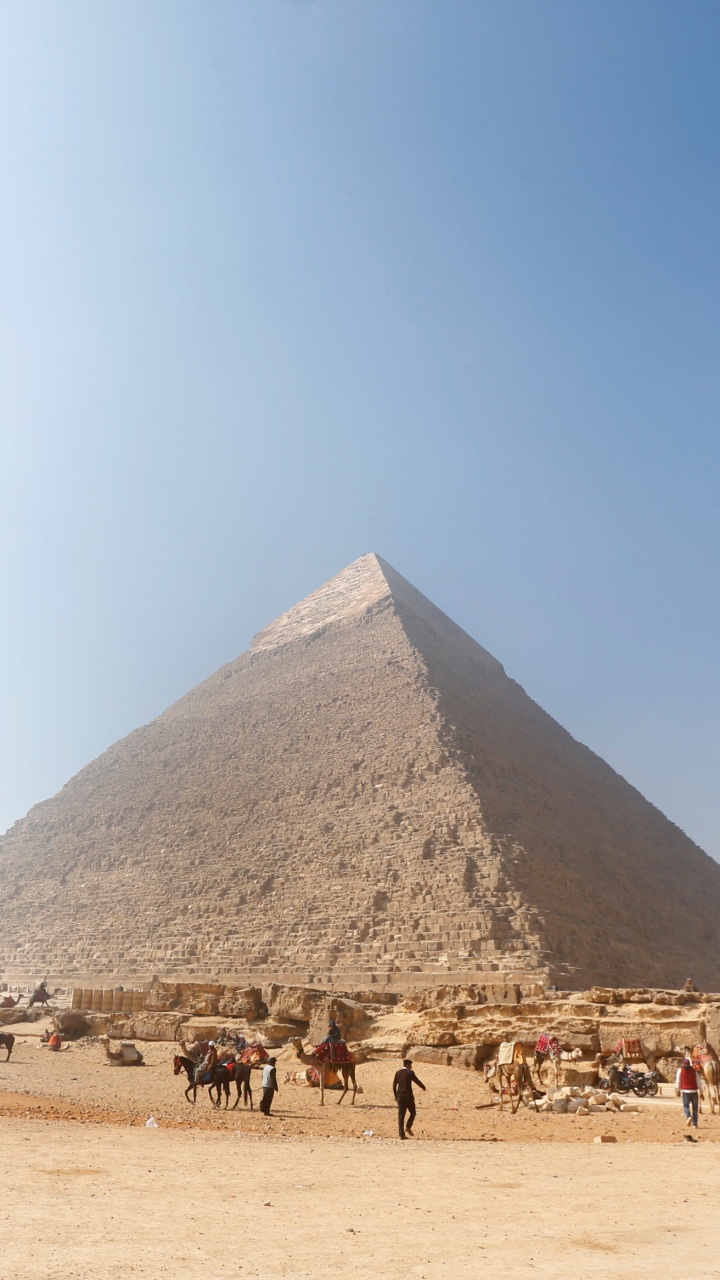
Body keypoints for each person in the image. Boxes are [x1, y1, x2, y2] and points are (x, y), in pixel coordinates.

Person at [393, 1058, 426, 1139]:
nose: (411, 1067)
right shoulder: (410, 1073)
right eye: (410, 1065)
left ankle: (401, 1134)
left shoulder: (398, 1073)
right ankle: (408, 1126)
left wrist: (396, 1096)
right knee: (413, 1112)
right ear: (407, 1065)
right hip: (408, 1097)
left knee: (401, 1116)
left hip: (400, 1096)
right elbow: (416, 1080)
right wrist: (423, 1087)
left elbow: (394, 1085)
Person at [676, 1056, 704, 1133]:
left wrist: (677, 1090)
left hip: (685, 1091)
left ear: (683, 1064)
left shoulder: (680, 1070)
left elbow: (678, 1081)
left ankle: (688, 1116)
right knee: (695, 1108)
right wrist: (701, 1092)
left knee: (686, 1106)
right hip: (694, 1091)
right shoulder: (694, 1071)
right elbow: (699, 1082)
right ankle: (695, 1124)